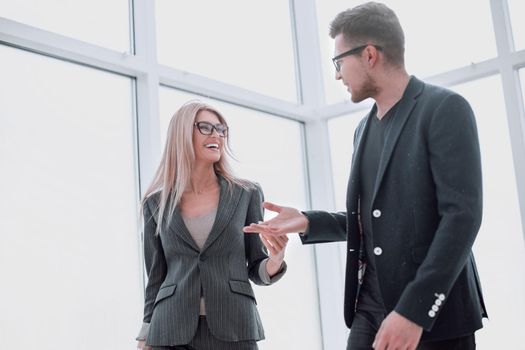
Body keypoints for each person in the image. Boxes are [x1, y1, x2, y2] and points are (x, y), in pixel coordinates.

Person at [244, 2, 487, 350]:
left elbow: (462, 218)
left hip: (435, 313)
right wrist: (306, 221)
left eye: (338, 62)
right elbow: (376, 219)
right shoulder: (362, 130)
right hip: (369, 308)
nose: (337, 75)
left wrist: (415, 311)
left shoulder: (445, 109)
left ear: (370, 54)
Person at [136, 100, 288, 350]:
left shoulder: (246, 194)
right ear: (182, 134)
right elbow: (156, 277)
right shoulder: (156, 203)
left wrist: (275, 260)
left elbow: (256, 265)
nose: (216, 134)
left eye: (221, 129)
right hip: (170, 329)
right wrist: (146, 332)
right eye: (205, 127)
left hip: (235, 327)